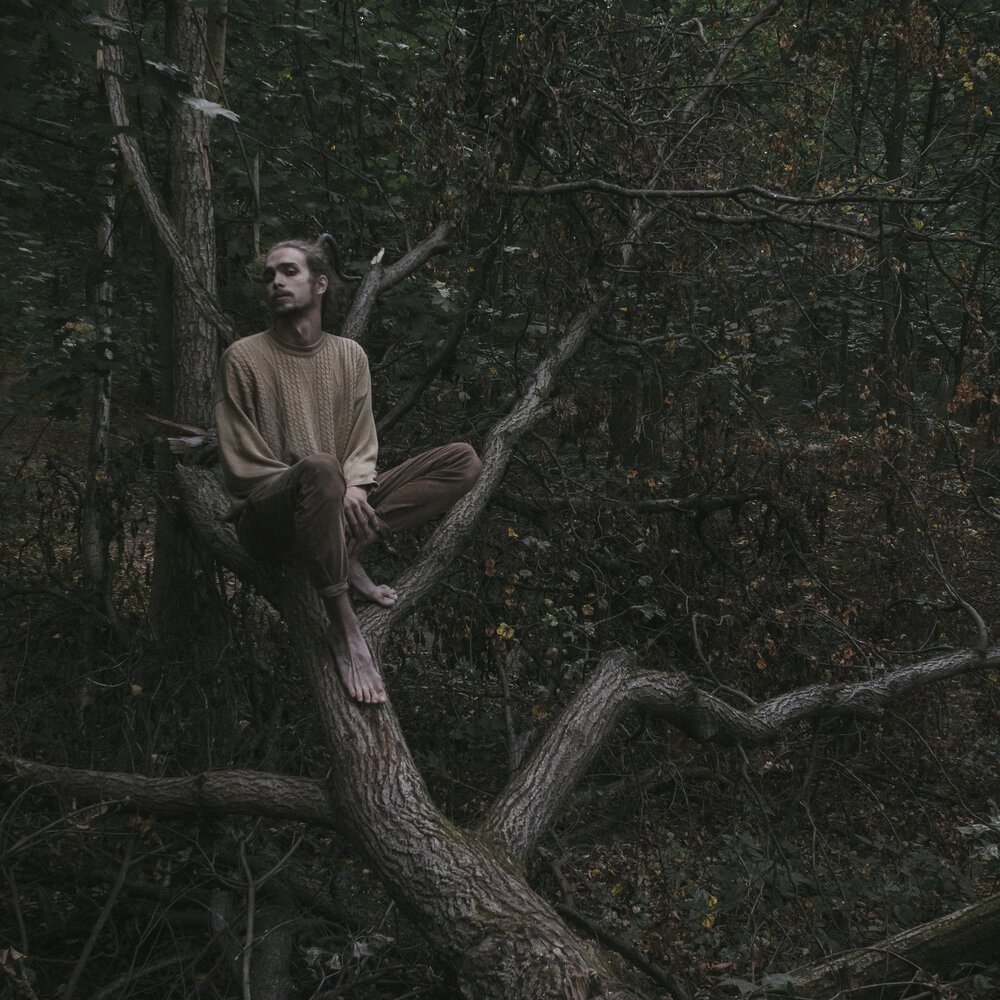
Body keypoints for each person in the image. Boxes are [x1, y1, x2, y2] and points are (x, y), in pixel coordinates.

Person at [214, 239, 481, 704]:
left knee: (464, 460)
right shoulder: (241, 358)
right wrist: (327, 486)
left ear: (320, 285)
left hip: (335, 494)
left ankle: (343, 546)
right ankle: (345, 628)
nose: (276, 281)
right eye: (269, 275)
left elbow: (361, 440)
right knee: (320, 469)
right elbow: (243, 465)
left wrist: (355, 487)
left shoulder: (349, 355)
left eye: (289, 271)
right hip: (269, 517)